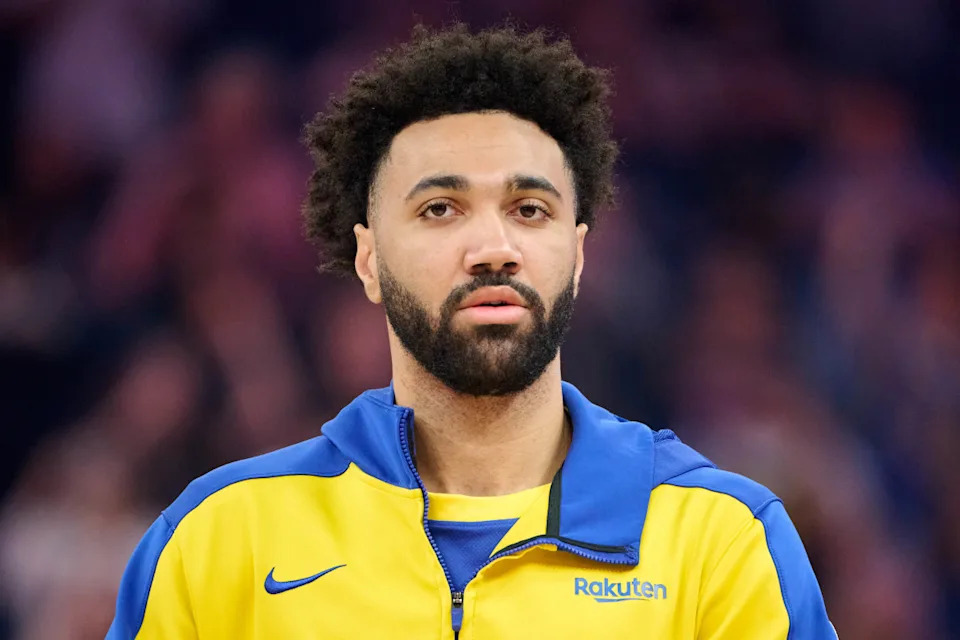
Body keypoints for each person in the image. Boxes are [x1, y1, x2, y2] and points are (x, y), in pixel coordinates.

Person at [107, 24, 835, 639]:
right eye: (440, 209)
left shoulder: (724, 540)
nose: (493, 246)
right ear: (367, 258)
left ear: (578, 258)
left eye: (529, 209)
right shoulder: (219, 538)